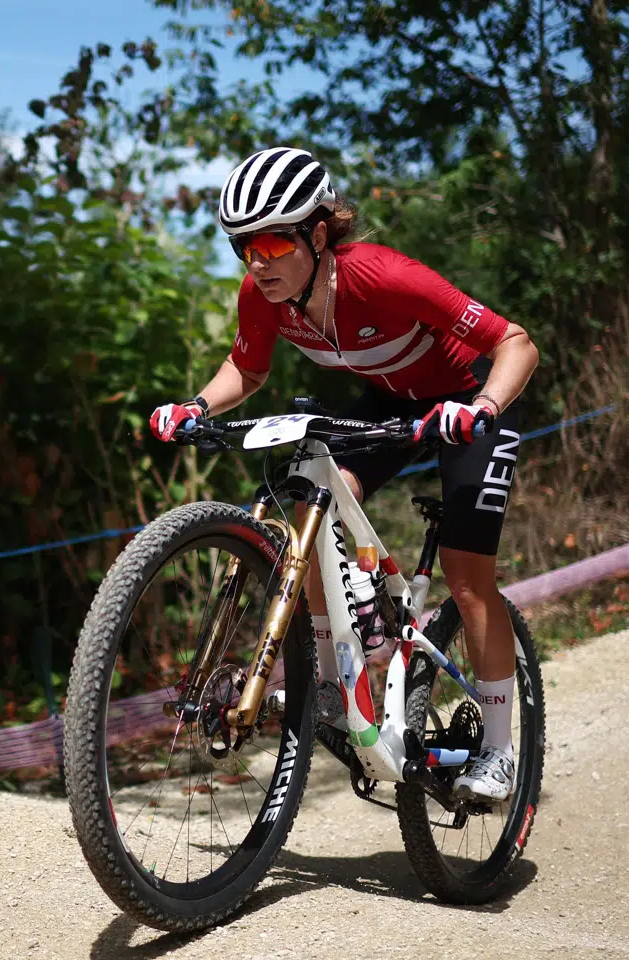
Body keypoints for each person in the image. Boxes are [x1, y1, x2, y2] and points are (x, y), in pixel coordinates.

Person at [149, 146, 540, 802]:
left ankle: (499, 751)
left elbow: (516, 342)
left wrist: (484, 408)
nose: (258, 262)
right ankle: (333, 680)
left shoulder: (383, 276)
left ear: (319, 233)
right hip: (389, 400)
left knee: (467, 575)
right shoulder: (264, 294)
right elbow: (247, 367)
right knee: (309, 503)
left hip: (467, 394)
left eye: (273, 243)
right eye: (244, 247)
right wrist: (196, 407)